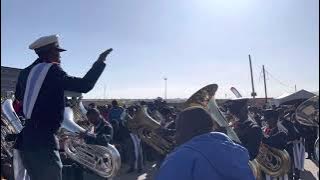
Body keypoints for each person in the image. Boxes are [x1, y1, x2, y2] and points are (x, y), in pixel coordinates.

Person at [13, 34, 112, 180]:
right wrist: (100, 61)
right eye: (57, 52)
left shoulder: (25, 73)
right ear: (49, 53)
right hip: (43, 142)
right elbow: (85, 85)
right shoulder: (52, 70)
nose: (60, 56)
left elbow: (20, 97)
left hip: (26, 140)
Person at [156, 106, 255, 180]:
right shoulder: (236, 151)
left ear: (186, 130)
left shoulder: (180, 157)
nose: (176, 135)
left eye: (178, 129)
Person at [262, 109, 289, 180]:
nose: (266, 121)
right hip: (268, 163)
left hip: (278, 164)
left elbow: (271, 141)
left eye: (268, 119)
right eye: (266, 119)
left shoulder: (281, 131)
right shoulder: (266, 129)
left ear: (274, 119)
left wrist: (261, 136)